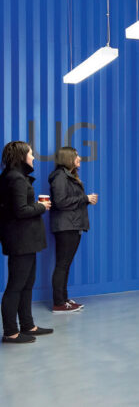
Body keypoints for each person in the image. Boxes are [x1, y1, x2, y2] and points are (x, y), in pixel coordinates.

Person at [0, 141, 54, 343]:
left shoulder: (11, 177)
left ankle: (27, 325)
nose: (33, 157)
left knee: (26, 284)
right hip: (20, 240)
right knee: (16, 285)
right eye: (31, 153)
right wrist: (41, 206)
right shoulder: (16, 179)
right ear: (21, 156)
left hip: (23, 240)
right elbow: (21, 211)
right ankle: (11, 332)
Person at [49, 147, 98, 313]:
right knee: (62, 265)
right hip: (66, 226)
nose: (80, 158)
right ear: (68, 158)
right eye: (76, 155)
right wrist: (85, 198)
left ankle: (63, 299)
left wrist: (86, 200)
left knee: (65, 265)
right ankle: (59, 303)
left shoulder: (68, 176)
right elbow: (61, 202)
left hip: (72, 225)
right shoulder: (60, 177)